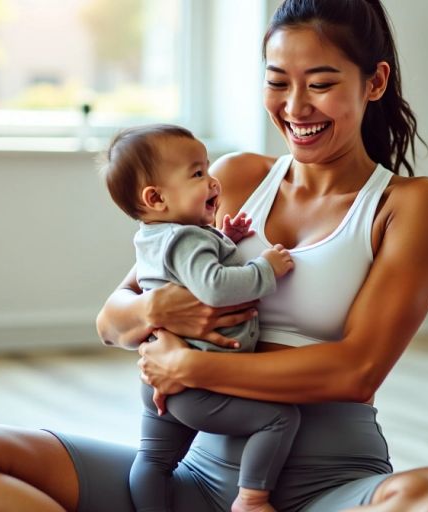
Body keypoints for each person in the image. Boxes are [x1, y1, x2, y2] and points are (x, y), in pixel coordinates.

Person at [0, 0, 428, 510]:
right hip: (192, 479)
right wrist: (160, 308)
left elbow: (355, 370)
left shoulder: (409, 204)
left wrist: (191, 368)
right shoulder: (231, 178)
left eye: (320, 83)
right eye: (276, 81)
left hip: (330, 486)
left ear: (375, 82)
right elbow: (113, 319)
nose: (294, 107)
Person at [100, 123, 299, 512]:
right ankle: (253, 499)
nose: (212, 182)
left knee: (154, 462)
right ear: (156, 197)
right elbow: (215, 287)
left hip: (158, 376)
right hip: (199, 384)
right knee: (279, 420)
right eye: (197, 174)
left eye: (207, 169)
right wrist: (266, 268)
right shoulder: (187, 238)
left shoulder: (156, 236)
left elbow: (189, 270)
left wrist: (226, 241)